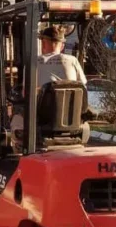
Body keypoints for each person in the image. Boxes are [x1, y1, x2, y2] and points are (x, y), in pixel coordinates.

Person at [9, 25, 87, 153]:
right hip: (71, 120)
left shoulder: (33, 63)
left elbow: (25, 93)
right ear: (61, 46)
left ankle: (20, 154)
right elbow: (83, 87)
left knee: (17, 119)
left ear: (44, 43)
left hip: (43, 122)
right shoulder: (73, 61)